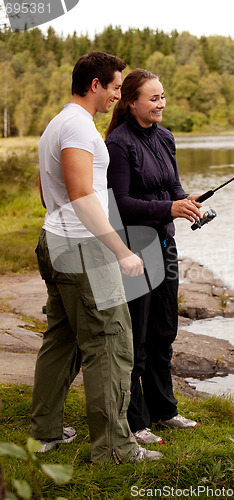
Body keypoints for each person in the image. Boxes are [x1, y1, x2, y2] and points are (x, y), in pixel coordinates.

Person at [31, 53, 163, 463]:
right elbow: (81, 194)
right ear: (94, 85)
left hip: (59, 241)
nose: (118, 96)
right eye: (115, 87)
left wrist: (62, 224)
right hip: (82, 251)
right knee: (110, 345)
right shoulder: (76, 128)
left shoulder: (59, 123)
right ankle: (114, 449)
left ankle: (46, 431)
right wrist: (120, 249)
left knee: (62, 340)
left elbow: (44, 187)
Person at [105, 69, 202, 445]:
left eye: (163, 96)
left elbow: (173, 186)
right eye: (154, 98)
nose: (161, 103)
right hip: (135, 249)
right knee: (138, 337)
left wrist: (187, 204)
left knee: (164, 330)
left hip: (165, 244)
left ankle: (166, 410)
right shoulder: (119, 143)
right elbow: (122, 205)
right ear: (132, 102)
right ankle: (135, 420)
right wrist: (168, 209)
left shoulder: (165, 137)